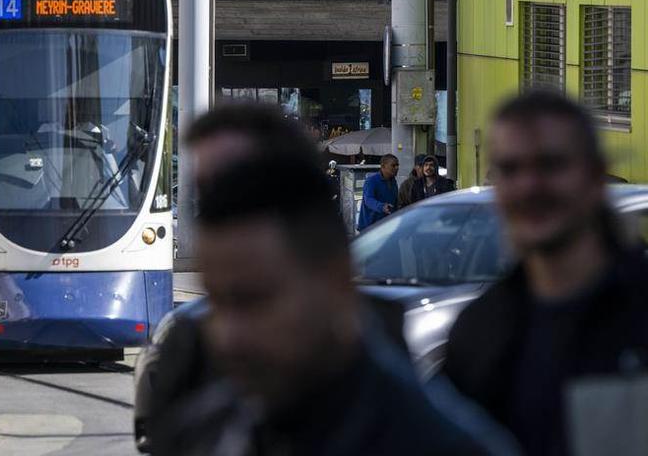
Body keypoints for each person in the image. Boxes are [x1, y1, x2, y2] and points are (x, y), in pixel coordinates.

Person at [152, 150, 517, 455]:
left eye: (256, 299)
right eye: (219, 301)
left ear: (336, 279)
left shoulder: (434, 441)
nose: (228, 333)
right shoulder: (206, 430)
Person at [443, 91, 648, 456]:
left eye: (551, 165)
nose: (529, 187)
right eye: (510, 169)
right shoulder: (479, 331)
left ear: (596, 176)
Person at [133, 104, 321, 453]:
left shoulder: (403, 429)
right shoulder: (192, 364)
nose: (230, 334)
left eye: (255, 300)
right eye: (208, 202)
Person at [358, 153, 399, 230]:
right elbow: (368, 200)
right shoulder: (372, 180)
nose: (397, 168)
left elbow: (395, 202)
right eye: (393, 165)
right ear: (383, 166)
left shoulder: (393, 182)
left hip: (386, 226)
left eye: (397, 165)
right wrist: (382, 207)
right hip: (370, 227)